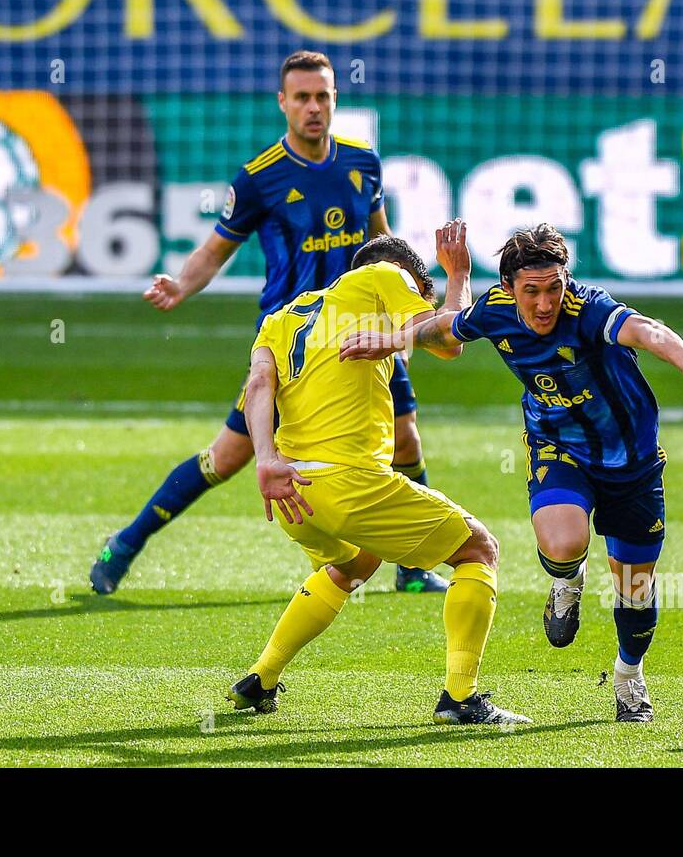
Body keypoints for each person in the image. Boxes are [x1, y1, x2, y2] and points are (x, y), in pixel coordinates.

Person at [91, 50, 446, 594]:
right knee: (226, 458)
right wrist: (182, 284)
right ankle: (128, 542)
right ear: (283, 103)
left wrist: (415, 292)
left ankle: (413, 569)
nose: (313, 108)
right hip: (297, 342)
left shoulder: (363, 163)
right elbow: (214, 250)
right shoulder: (260, 178)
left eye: (322, 97)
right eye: (301, 97)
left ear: (335, 100)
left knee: (406, 442)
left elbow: (385, 243)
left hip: (362, 336)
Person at [341, 224, 683, 723]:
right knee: (562, 543)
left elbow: (645, 330)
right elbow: (440, 330)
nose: (544, 303)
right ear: (510, 287)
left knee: (635, 591)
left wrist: (680, 354)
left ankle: (628, 675)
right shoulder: (494, 309)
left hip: (633, 460)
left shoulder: (589, 309)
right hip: (558, 447)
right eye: (531, 291)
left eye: (553, 287)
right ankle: (568, 580)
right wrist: (389, 339)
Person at [228, 221, 529, 725]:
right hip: (350, 483)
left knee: (354, 565)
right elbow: (448, 338)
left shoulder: (283, 316)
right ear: (406, 275)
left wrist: (264, 459)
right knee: (480, 550)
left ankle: (261, 679)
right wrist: (457, 275)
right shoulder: (389, 274)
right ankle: (461, 697)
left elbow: (259, 384)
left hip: (294, 494)